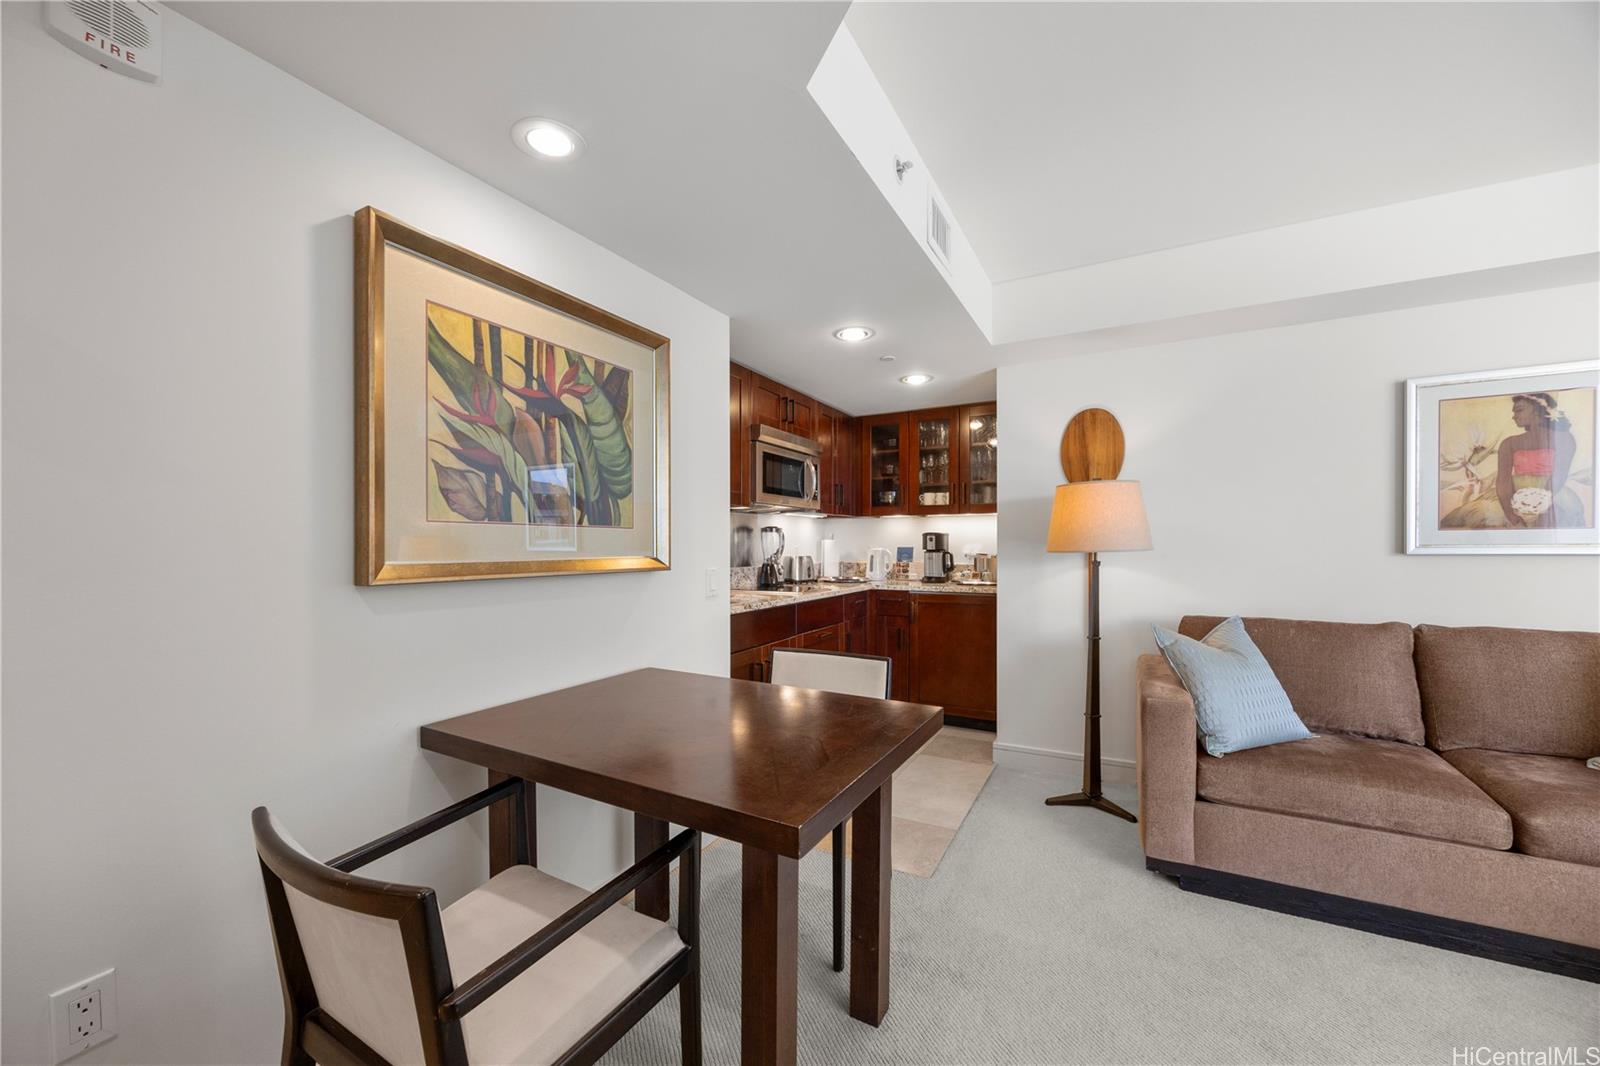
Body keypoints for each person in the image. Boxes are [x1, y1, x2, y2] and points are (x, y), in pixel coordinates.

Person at [1496, 392, 1579, 528]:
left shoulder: (1564, 439)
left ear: (1538, 410)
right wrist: (1512, 514)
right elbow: (1503, 482)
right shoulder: (1509, 443)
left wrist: (1538, 504)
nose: (1513, 416)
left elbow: (1559, 476)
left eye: (1519, 410)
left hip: (1554, 495)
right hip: (1515, 499)